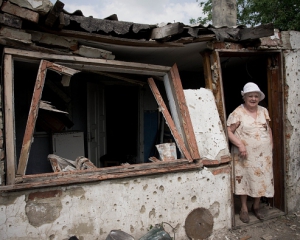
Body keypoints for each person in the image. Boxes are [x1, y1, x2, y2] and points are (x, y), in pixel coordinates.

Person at [227, 82, 274, 223]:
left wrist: (270, 144)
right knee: (245, 179)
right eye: (250, 96)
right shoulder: (237, 113)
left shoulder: (264, 111)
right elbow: (229, 131)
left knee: (261, 179)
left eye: (256, 96)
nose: (253, 99)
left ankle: (256, 206)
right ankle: (243, 209)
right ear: (244, 97)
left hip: (263, 155)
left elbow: (268, 128)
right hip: (245, 155)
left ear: (259, 97)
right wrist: (240, 144)